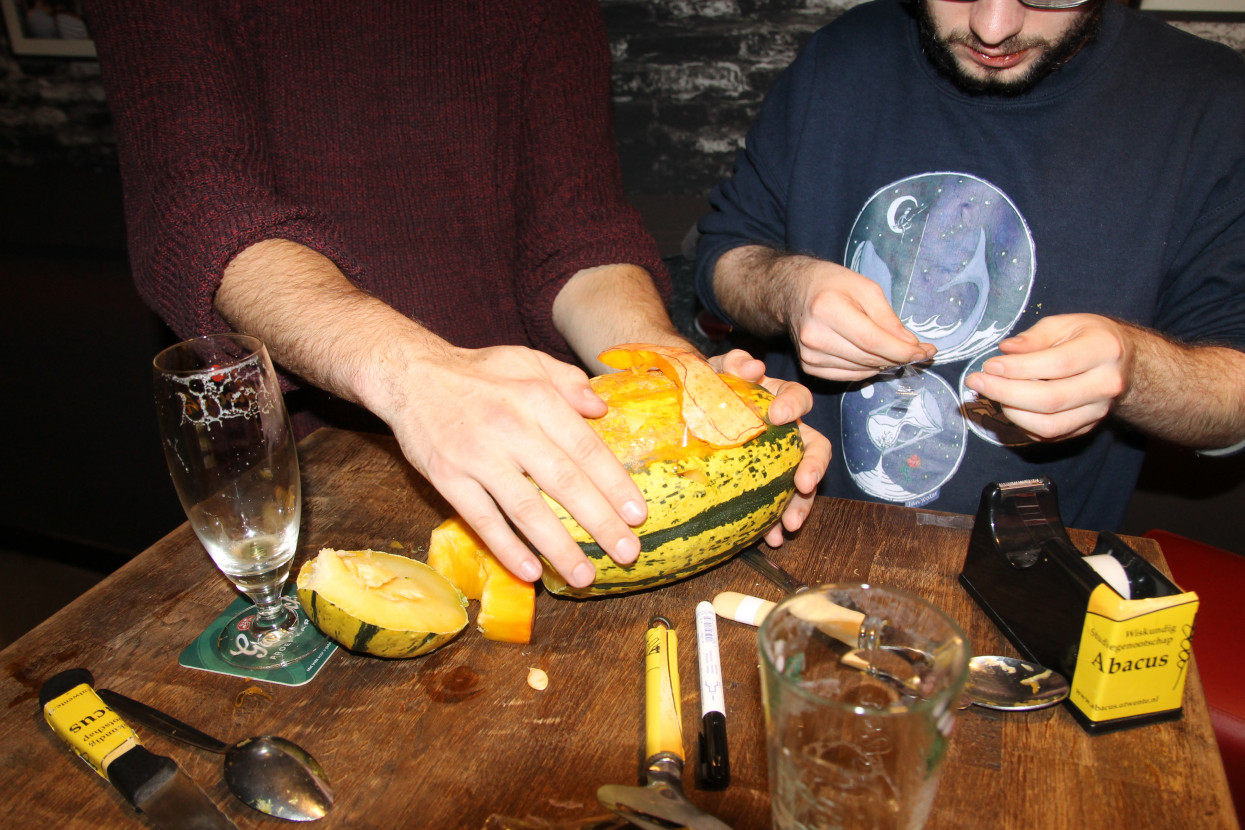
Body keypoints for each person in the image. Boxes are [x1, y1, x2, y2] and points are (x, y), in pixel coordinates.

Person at [84, 1, 830, 590]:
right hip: (313, 473)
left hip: (543, 450)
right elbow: (201, 210)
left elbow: (578, 236)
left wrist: (674, 380)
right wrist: (414, 373)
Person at [695, 0, 1245, 530]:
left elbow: (1234, 399)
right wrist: (788, 290)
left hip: (1036, 578)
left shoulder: (1212, 101)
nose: (993, 27)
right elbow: (726, 254)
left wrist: (1135, 370)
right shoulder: (842, 55)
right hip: (797, 537)